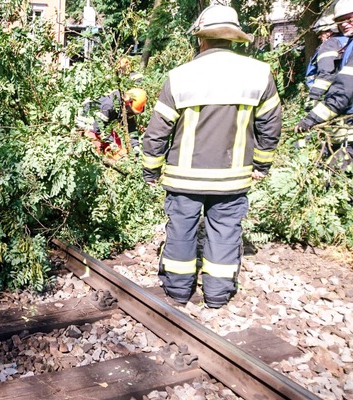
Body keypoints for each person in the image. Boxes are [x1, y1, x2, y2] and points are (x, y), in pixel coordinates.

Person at [142, 5, 282, 308]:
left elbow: (157, 131)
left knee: (181, 231)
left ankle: (178, 292)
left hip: (184, 178)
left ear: (201, 39)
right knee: (224, 232)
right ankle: (217, 296)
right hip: (232, 179)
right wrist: (262, 164)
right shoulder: (259, 74)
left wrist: (151, 170)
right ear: (233, 38)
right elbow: (270, 125)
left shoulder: (180, 76)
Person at [296, 0, 353, 171]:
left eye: (349, 19)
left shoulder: (331, 45)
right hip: (343, 113)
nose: (344, 24)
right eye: (340, 20)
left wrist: (311, 117)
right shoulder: (348, 43)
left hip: (342, 109)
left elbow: (343, 89)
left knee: (335, 170)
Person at [76, 88, 147, 158]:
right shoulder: (108, 106)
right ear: (128, 102)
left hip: (101, 125)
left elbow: (130, 126)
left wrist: (135, 145)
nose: (130, 114)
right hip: (88, 123)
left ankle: (116, 162)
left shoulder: (124, 106)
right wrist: (111, 143)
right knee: (98, 147)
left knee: (117, 142)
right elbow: (98, 128)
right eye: (131, 111)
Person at [306, 14, 348, 103]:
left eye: (321, 33)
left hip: (336, 95)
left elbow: (326, 72)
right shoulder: (347, 42)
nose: (320, 37)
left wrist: (314, 96)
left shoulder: (330, 44)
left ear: (329, 32)